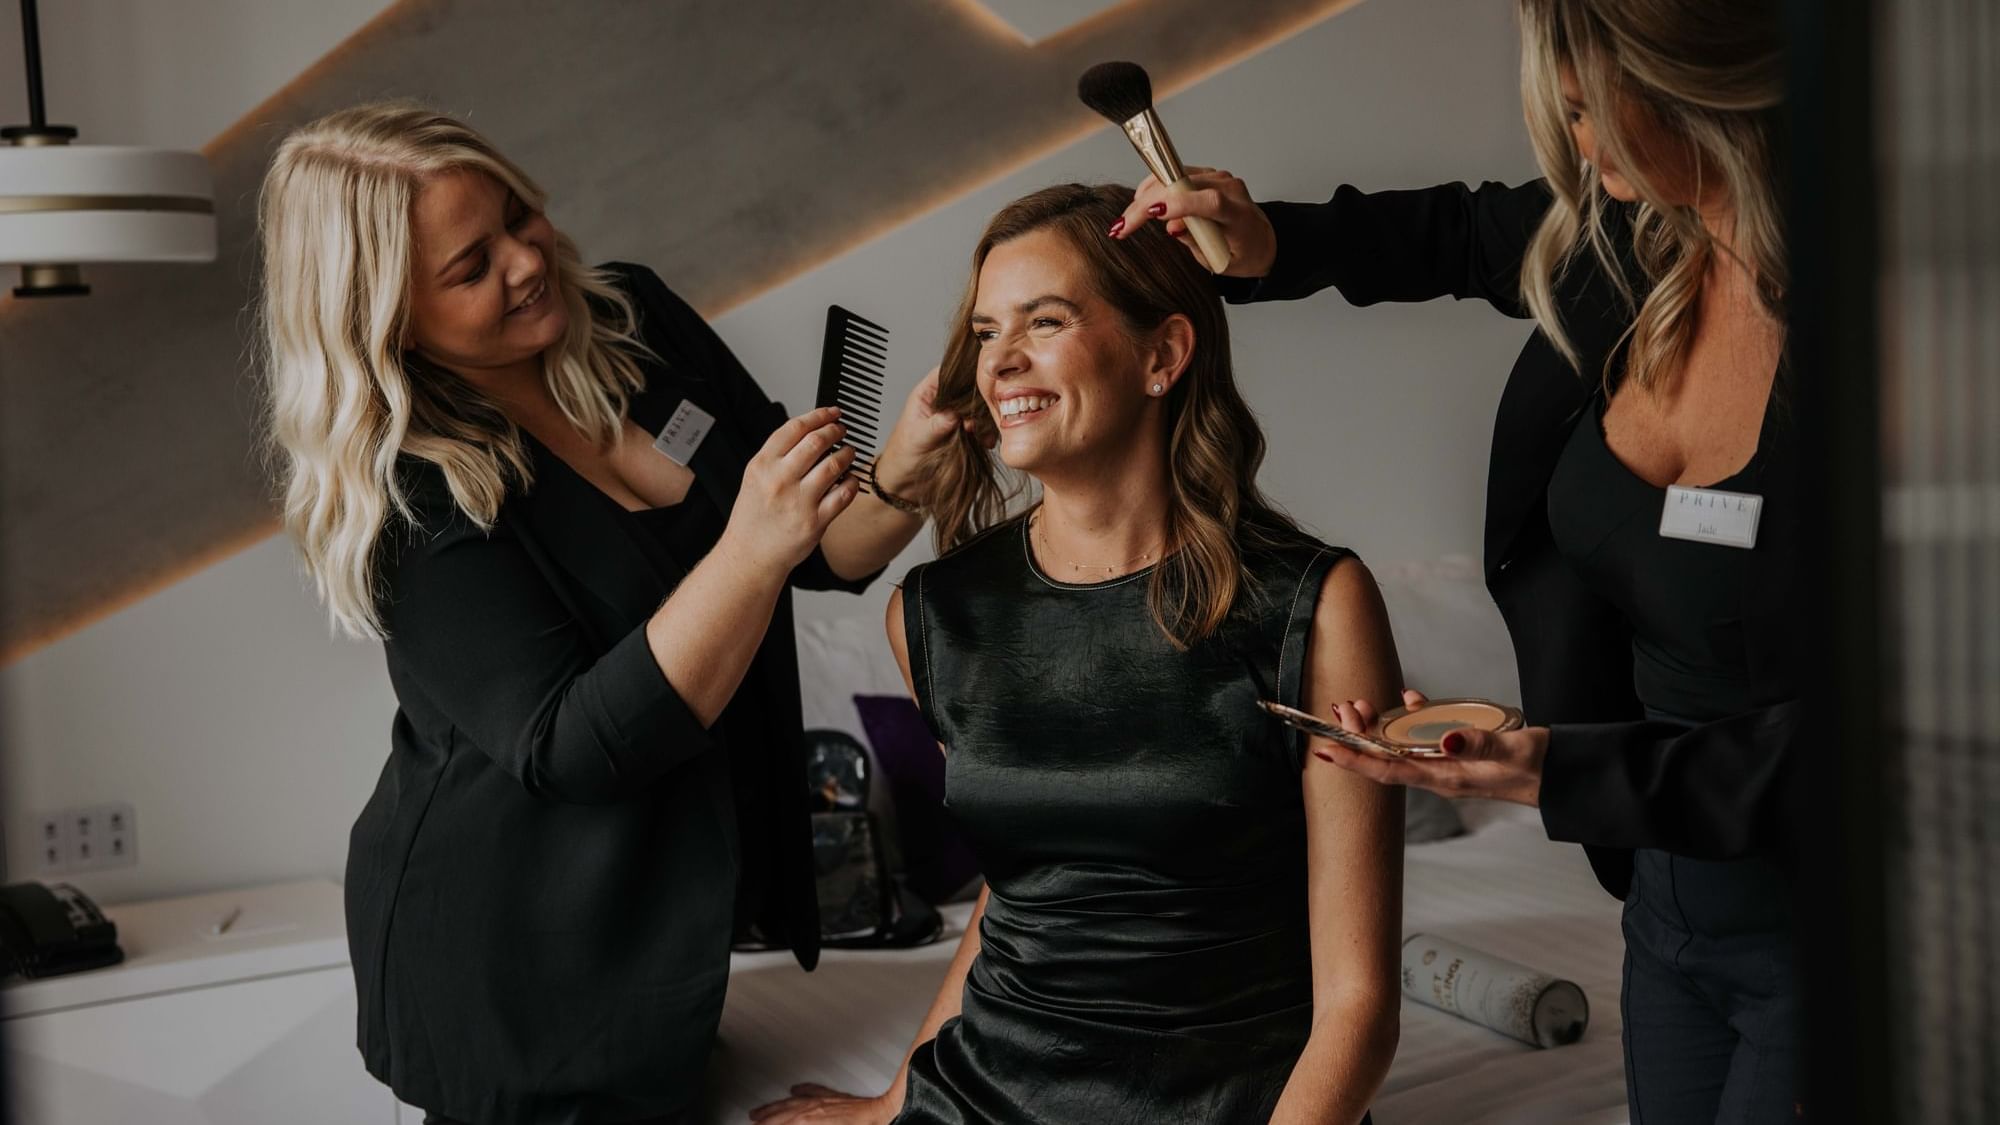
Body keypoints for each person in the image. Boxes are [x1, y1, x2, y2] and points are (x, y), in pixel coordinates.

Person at [1114, 1, 1802, 1121]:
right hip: (1660, 896)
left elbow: (1890, 739)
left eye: (1587, 113)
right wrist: (1265, 240)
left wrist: (1552, 771)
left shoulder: (1898, 339)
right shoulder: (1634, 242)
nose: (1574, 150)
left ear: (1696, 94)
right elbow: (1459, 234)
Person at [258, 102, 959, 1124]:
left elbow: (807, 546)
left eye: (518, 216)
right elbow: (574, 745)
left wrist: (905, 472)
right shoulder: (411, 489)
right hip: (512, 963)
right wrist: (750, 546)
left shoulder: (634, 322)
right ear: (385, 317)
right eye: (470, 266)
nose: (526, 261)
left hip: (659, 935)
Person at [752, 183, 1404, 1125]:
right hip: (987, 1094)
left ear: (1163, 354)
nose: (1001, 361)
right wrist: (894, 1103)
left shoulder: (1315, 603)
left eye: (1045, 320)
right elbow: (1021, 897)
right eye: (984, 332)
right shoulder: (937, 614)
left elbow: (1358, 1003)